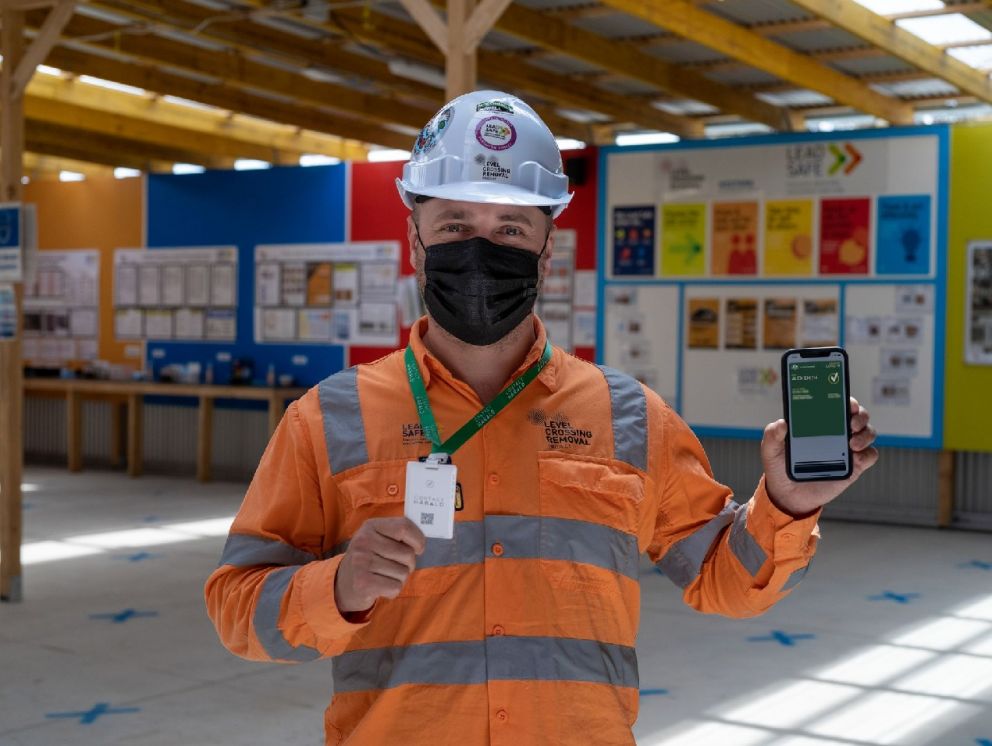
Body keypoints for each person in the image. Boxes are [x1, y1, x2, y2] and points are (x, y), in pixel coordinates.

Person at [205, 90, 878, 745]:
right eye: (455, 227)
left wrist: (787, 503)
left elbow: (725, 582)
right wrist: (339, 586)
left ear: (545, 251)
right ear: (416, 241)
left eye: (509, 230)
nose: (480, 249)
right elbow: (237, 611)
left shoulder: (631, 416)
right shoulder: (328, 418)